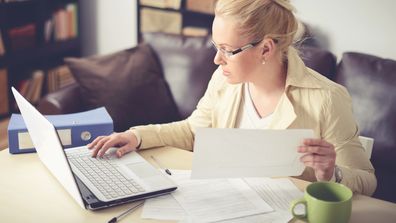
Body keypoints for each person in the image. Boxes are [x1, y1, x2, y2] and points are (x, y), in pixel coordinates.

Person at [88, 0, 376, 196]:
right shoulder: (226, 81)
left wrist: (331, 172)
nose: (216, 59)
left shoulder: (328, 99)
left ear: (265, 49)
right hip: (228, 202)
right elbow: (191, 132)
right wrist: (136, 136)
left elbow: (367, 181)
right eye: (216, 46)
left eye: (227, 49)